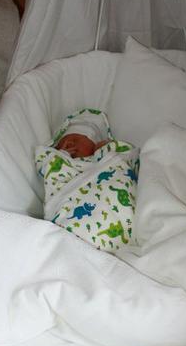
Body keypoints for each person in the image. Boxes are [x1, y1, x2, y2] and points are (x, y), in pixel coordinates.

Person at [35, 108, 139, 252]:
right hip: (69, 211)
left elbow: (126, 158)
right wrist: (60, 154)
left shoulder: (104, 160)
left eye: (78, 140)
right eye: (63, 143)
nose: (70, 143)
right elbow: (49, 168)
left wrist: (107, 148)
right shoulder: (63, 164)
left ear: (95, 146)